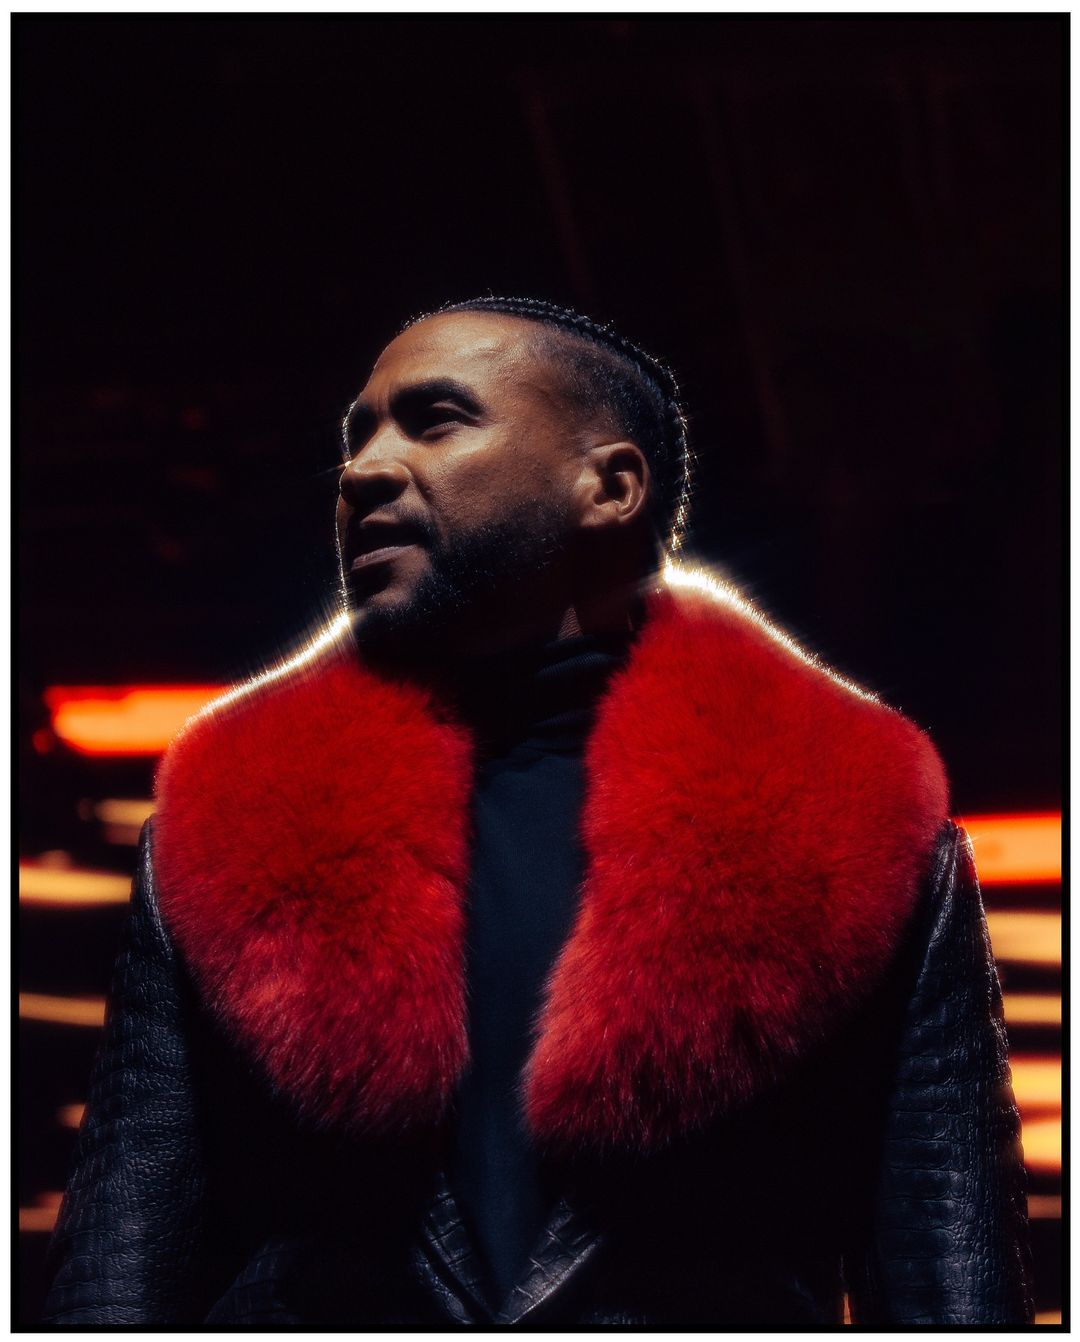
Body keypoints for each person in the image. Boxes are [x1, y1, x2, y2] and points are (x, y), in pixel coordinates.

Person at [43, 297, 1034, 1327]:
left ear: (611, 487)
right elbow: (120, 1268)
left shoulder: (863, 833)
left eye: (435, 421)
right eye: (358, 436)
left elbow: (950, 1276)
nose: (364, 470)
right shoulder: (221, 829)